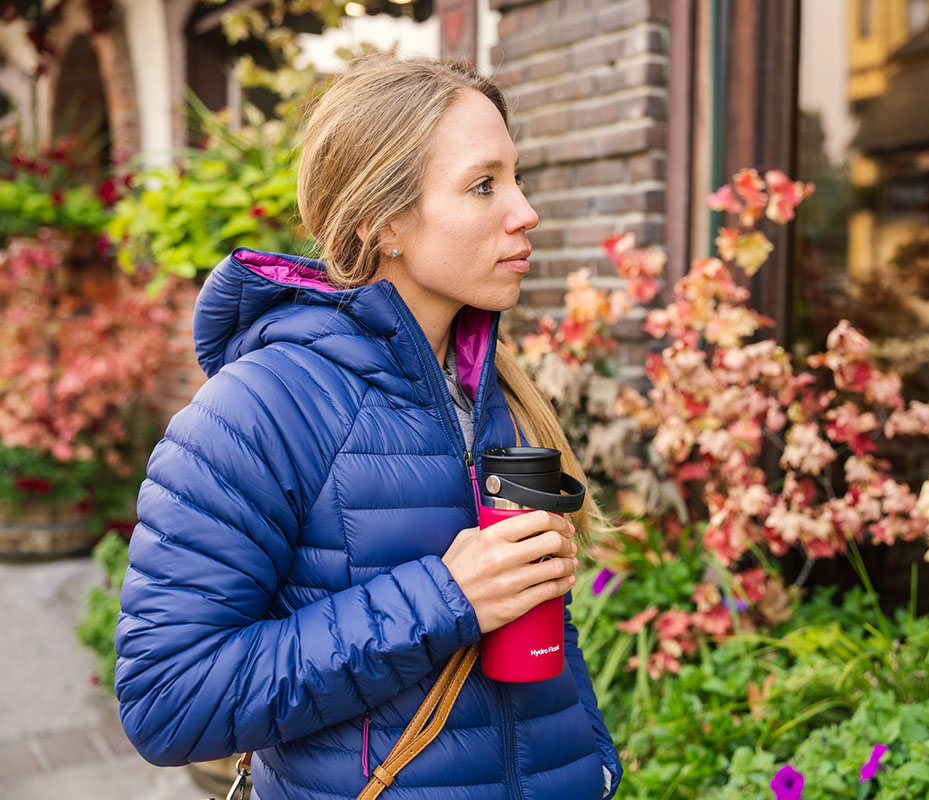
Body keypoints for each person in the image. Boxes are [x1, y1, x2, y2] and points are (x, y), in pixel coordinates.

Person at [115, 53, 622, 800]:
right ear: (384, 222)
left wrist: (595, 763)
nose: (525, 212)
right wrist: (446, 598)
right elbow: (168, 701)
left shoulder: (497, 393)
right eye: (484, 185)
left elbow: (540, 613)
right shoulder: (259, 410)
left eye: (516, 177)